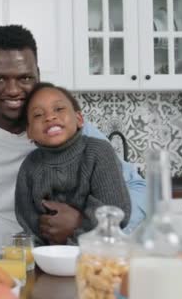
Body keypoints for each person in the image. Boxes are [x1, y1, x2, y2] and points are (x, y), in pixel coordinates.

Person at [0, 25, 146, 255]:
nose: (13, 90)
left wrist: (85, 224)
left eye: (24, 78)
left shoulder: (75, 135)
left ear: (38, 77)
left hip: (51, 267)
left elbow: (140, 189)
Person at [15, 82, 131, 245]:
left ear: (79, 119)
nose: (49, 117)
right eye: (38, 115)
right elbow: (29, 222)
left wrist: (77, 233)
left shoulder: (98, 151)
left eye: (59, 109)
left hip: (97, 251)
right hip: (49, 258)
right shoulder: (30, 166)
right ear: (29, 132)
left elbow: (114, 212)